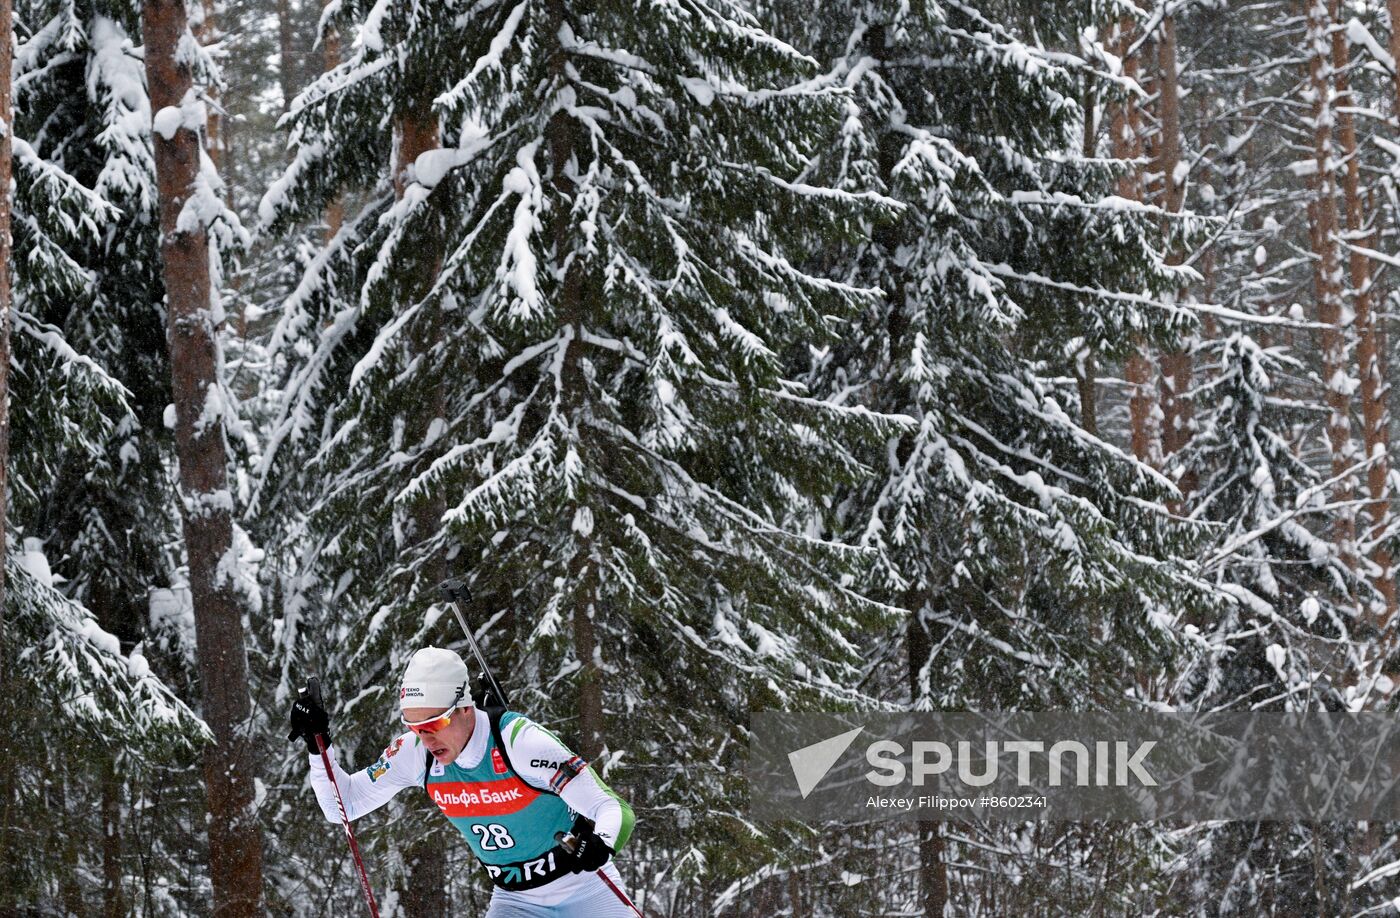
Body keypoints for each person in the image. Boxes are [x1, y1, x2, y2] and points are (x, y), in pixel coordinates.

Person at [289, 646, 638, 917]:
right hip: (516, 902)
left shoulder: (519, 742)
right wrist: (318, 746)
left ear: (465, 708)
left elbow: (612, 807)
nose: (425, 738)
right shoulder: (416, 753)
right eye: (414, 727)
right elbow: (343, 806)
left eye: (435, 724)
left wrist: (601, 843)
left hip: (586, 891)